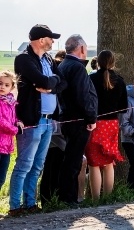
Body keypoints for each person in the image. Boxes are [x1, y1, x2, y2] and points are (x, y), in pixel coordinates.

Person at [9, 25, 65, 215]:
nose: (53, 42)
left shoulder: (49, 58)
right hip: (32, 120)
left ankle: (30, 203)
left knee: (38, 165)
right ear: (41, 40)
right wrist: (50, 82)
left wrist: (51, 86)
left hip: (49, 121)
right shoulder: (24, 59)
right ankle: (15, 206)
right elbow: (42, 80)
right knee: (24, 164)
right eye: (51, 38)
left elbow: (62, 81)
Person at [58, 34, 98, 206]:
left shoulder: (63, 65)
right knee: (73, 160)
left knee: (70, 159)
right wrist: (90, 117)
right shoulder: (77, 67)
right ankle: (69, 198)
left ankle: (66, 196)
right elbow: (83, 95)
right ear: (81, 48)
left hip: (66, 118)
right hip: (78, 119)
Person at [86, 50, 127, 199]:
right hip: (112, 124)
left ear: (98, 62)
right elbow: (124, 106)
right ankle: (108, 198)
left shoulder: (91, 79)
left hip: (95, 123)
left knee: (94, 163)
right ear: (113, 62)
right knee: (109, 162)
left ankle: (95, 199)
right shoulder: (120, 81)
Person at [0, 71, 21, 192]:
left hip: (6, 146)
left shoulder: (10, 102)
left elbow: (12, 117)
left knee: (1, 179)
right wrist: (15, 129)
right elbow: (1, 122)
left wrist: (17, 122)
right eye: (0, 83)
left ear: (12, 87)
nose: (2, 87)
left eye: (6, 85)